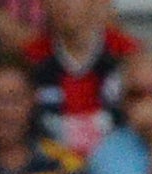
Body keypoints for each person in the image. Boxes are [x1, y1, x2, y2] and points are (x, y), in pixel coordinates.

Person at [23, 0, 138, 161]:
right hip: (49, 171)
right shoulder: (28, 61)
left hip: (119, 166)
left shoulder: (130, 57)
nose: (65, 4)